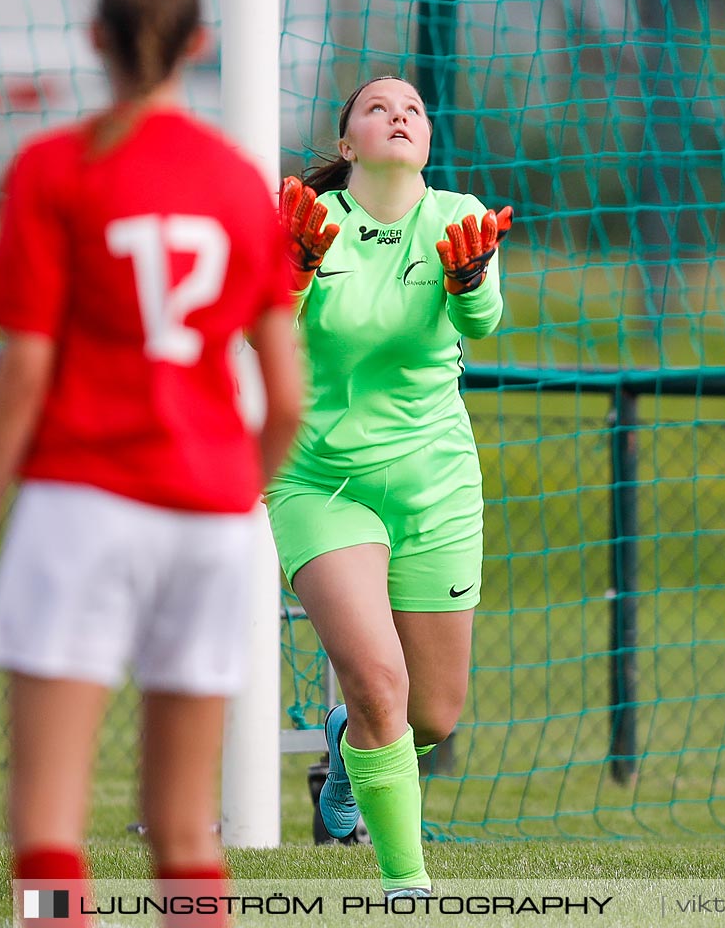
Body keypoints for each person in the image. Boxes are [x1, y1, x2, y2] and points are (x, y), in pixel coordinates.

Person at [0, 0, 304, 926]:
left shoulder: (57, 169)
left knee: (49, 831)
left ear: (94, 37)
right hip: (210, 521)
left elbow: (24, 369)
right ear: (200, 44)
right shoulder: (238, 188)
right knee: (189, 833)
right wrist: (237, 499)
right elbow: (287, 397)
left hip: (81, 509)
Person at [271, 75, 512, 898]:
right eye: (376, 107)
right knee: (380, 684)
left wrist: (472, 281)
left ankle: (347, 749)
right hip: (320, 484)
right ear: (348, 145)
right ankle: (405, 885)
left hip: (435, 487)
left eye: (411, 108)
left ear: (428, 140)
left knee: (432, 717)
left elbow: (481, 323)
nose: (397, 115)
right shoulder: (310, 220)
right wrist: (294, 269)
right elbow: (264, 322)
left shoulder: (456, 217)